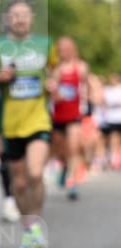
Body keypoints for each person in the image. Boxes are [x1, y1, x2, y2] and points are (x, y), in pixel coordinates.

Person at [0, 0, 53, 248]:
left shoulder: (46, 44)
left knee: (35, 174)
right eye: (15, 15)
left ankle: (36, 223)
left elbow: (54, 72)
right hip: (9, 125)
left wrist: (52, 84)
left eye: (25, 14)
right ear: (7, 19)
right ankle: (29, 227)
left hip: (38, 120)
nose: (20, 19)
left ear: (32, 18)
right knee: (20, 184)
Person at [47, 36, 89, 199]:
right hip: (57, 114)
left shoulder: (81, 67)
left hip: (74, 115)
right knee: (59, 149)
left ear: (72, 49)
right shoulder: (54, 69)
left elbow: (86, 87)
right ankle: (64, 166)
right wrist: (54, 93)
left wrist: (86, 103)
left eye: (66, 47)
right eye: (60, 48)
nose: (63, 51)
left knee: (73, 147)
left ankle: (72, 182)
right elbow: (51, 93)